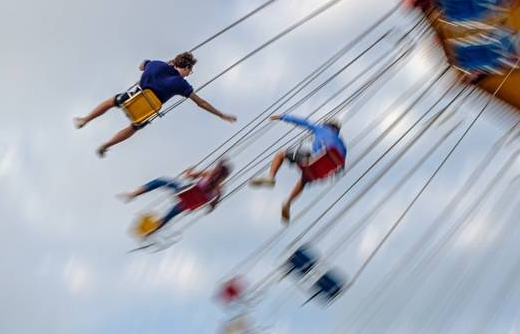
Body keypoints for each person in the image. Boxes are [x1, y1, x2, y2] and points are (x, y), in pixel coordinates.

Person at [74, 52, 237, 157]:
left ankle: (85, 120)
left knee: (112, 101)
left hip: (132, 98)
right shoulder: (181, 84)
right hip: (144, 111)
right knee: (134, 127)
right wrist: (221, 114)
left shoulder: (156, 64)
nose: (189, 75)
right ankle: (106, 145)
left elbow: (142, 65)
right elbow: (200, 102)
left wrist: (161, 65)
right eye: (190, 71)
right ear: (187, 67)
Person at [250, 114, 346, 223]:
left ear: (326, 124)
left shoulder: (320, 128)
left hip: (314, 159)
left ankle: (270, 177)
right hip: (322, 171)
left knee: (281, 154)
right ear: (337, 129)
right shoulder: (342, 144)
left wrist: (282, 117)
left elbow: (302, 121)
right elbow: (341, 166)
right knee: (304, 180)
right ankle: (288, 203)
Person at [119, 159, 232, 237]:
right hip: (187, 204)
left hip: (183, 192)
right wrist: (211, 203)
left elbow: (188, 175)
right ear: (225, 177)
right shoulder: (219, 191)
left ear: (217, 170)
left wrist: (189, 171)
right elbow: (211, 208)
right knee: (169, 216)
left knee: (160, 181)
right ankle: (150, 232)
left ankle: (132, 194)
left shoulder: (208, 174)